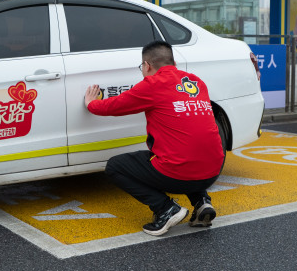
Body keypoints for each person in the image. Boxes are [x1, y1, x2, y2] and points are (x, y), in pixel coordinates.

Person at [84, 40, 224, 236]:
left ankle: (165, 209)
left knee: (115, 166)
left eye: (141, 66)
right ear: (172, 62)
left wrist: (91, 103)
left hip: (178, 174)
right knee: (187, 148)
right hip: (214, 171)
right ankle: (201, 202)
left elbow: (114, 106)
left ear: (147, 65)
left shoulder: (153, 84)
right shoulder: (196, 82)